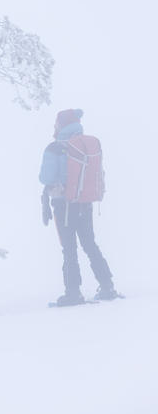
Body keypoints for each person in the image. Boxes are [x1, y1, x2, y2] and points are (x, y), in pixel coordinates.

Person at [39, 109, 119, 306]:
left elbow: (46, 177)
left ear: (61, 124)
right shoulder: (86, 144)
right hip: (85, 202)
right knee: (90, 243)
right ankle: (107, 285)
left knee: (69, 248)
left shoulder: (56, 147)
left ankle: (73, 292)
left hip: (63, 204)